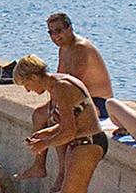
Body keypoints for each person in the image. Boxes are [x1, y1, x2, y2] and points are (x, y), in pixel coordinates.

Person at [14, 55, 108, 193]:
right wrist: (44, 134)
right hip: (83, 142)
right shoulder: (58, 84)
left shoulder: (62, 88)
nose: (28, 90)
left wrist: (44, 144)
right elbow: (68, 123)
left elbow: (69, 131)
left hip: (88, 143)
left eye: (26, 84)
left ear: (34, 77)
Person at [21, 13, 114, 180]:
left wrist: (56, 108)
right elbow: (56, 81)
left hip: (96, 102)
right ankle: (39, 165)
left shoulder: (80, 48)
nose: (55, 36)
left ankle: (62, 172)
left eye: (58, 31)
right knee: (39, 114)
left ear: (69, 28)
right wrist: (52, 104)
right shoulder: (63, 49)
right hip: (77, 100)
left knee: (58, 120)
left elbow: (73, 85)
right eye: (51, 32)